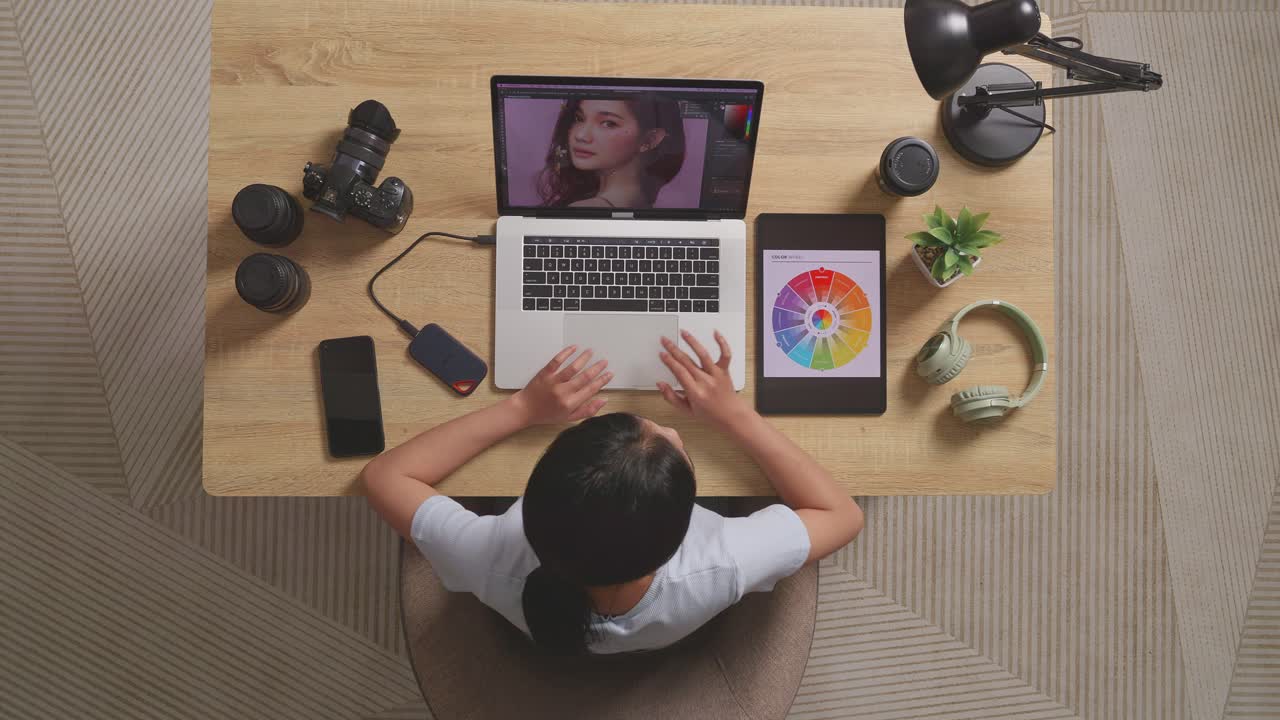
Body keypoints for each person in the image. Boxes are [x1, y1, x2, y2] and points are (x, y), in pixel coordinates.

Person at [363, 331, 864, 655]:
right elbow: (841, 515)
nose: (671, 431)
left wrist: (521, 409)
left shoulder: (488, 559)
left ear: (536, 490)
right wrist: (736, 416)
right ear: (683, 529)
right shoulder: (718, 563)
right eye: (675, 449)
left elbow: (384, 477)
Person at [537, 94, 686, 209]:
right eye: (579, 118)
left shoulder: (585, 209)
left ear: (649, 140)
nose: (581, 135)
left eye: (609, 123)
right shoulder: (642, 203)